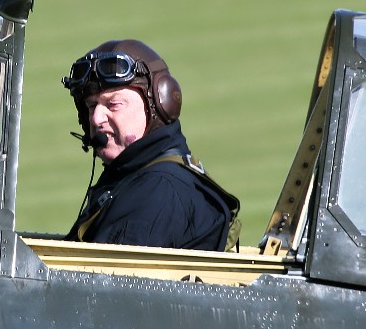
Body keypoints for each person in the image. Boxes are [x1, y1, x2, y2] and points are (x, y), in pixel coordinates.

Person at [61, 39, 240, 251]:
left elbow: (105, 280)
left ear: (158, 104)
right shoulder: (139, 177)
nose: (96, 118)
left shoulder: (157, 191)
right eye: (92, 106)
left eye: (113, 104)